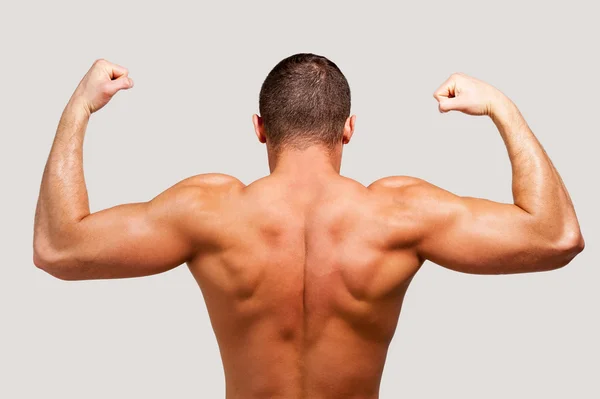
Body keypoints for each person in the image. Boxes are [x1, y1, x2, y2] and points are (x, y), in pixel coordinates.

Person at [33, 53, 584, 398]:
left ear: (258, 129)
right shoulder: (397, 212)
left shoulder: (209, 209)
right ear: (348, 129)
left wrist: (78, 108)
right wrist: (501, 108)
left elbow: (58, 248)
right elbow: (556, 236)